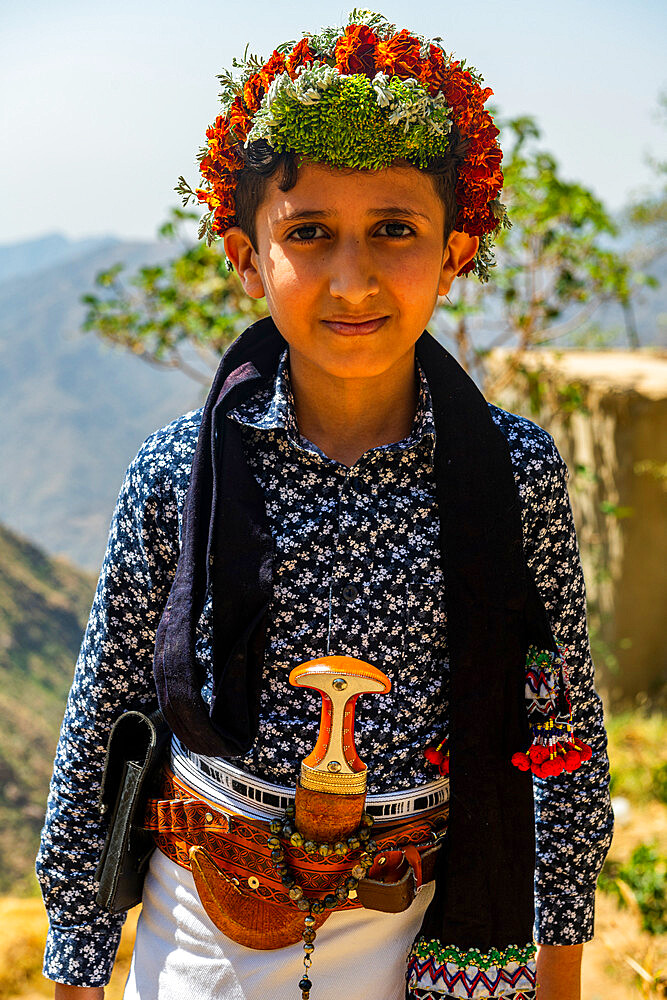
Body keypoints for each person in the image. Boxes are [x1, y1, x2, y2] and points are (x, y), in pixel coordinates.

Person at [37, 12, 613, 1000]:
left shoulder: (511, 474)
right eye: (309, 234)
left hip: (437, 936)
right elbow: (107, 728)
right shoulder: (179, 472)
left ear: (454, 248)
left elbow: (556, 732)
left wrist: (554, 975)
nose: (352, 278)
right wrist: (79, 970)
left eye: (394, 229)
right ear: (246, 255)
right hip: (208, 937)